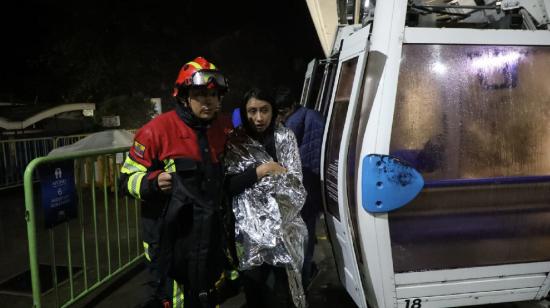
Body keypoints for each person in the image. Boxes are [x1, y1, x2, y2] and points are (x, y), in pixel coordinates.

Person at [120, 56, 233, 308]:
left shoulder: (221, 129)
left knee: (207, 296)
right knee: (172, 300)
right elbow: (125, 180)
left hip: (208, 238)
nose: (208, 100)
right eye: (199, 93)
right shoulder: (155, 131)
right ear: (183, 95)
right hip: (169, 241)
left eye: (214, 94)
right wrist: (151, 182)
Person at [224, 87, 308, 308]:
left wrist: (267, 185)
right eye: (252, 111)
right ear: (244, 112)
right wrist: (261, 171)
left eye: (264, 110)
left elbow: (295, 183)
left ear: (273, 111)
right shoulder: (236, 141)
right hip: (248, 233)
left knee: (286, 292)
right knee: (255, 294)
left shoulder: (284, 136)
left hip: (284, 229)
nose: (259, 118)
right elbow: (230, 186)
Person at [275, 86, 325, 289]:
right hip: (314, 188)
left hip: (301, 191)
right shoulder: (315, 116)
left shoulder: (290, 126)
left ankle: (299, 285)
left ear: (291, 107)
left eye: (282, 112)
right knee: (306, 237)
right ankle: (303, 281)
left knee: (298, 244)